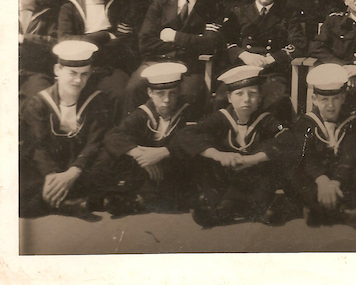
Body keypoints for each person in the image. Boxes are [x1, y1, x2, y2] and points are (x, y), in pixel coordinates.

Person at [174, 65, 295, 227]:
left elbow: (287, 135)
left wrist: (254, 159)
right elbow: (187, 134)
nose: (246, 99)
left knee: (267, 208)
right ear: (229, 97)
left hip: (256, 178)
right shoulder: (219, 118)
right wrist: (218, 155)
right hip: (228, 178)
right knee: (217, 198)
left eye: (252, 94)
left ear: (260, 97)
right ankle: (232, 206)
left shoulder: (267, 119)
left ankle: (246, 206)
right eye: (239, 94)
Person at [125, 0, 225, 116]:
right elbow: (145, 42)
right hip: (156, 62)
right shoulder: (160, 4)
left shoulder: (212, 7)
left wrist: (174, 36)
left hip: (189, 67)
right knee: (132, 89)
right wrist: (191, 42)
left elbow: (209, 44)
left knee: (191, 95)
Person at [19, 41, 111, 221]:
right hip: (49, 166)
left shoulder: (97, 100)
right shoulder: (38, 103)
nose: (78, 80)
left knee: (106, 158)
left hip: (79, 165)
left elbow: (95, 141)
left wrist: (73, 172)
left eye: (84, 74)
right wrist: (51, 175)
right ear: (57, 70)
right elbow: (38, 146)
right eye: (72, 73)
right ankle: (70, 205)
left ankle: (61, 201)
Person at [90, 62, 195, 216]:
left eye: (172, 93)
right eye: (160, 94)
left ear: (179, 92)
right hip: (146, 167)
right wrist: (140, 155)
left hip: (171, 164)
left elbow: (193, 139)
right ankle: (127, 196)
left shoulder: (187, 112)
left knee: (181, 182)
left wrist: (164, 152)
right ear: (150, 93)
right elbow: (113, 135)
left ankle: (136, 199)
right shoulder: (143, 113)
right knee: (106, 157)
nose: (166, 100)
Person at [285, 64, 356, 229]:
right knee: (293, 165)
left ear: (343, 98)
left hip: (340, 178)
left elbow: (349, 156)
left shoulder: (351, 122)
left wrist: (335, 182)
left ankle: (324, 209)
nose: (330, 105)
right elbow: (308, 158)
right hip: (317, 178)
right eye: (324, 100)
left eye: (335, 99)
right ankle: (335, 210)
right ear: (314, 100)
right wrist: (322, 180)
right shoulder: (305, 123)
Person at [219, 0, 305, 124]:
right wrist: (244, 55)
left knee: (278, 101)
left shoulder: (287, 15)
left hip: (271, 74)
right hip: (242, 70)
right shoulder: (238, 13)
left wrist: (272, 58)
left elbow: (298, 44)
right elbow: (224, 41)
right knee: (223, 97)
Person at [57, 0, 134, 121]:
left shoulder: (118, 4)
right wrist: (105, 36)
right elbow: (64, 41)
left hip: (110, 68)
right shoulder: (69, 7)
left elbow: (125, 41)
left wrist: (85, 41)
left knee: (120, 93)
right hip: (78, 68)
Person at [19, 0, 58, 100]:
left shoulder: (48, 14)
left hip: (36, 73)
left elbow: (55, 43)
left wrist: (25, 39)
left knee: (42, 99)